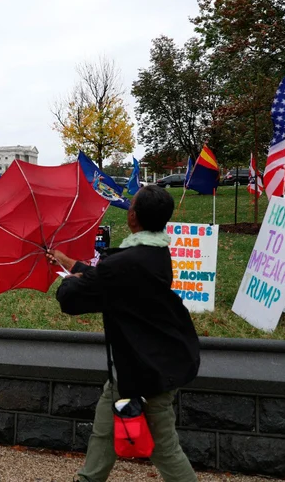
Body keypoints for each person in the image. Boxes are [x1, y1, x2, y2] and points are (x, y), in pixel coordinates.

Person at [47, 185, 200, 482]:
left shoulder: (126, 263)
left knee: (164, 448)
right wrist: (66, 261)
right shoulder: (155, 251)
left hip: (148, 371)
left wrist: (67, 281)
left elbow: (73, 299)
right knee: (104, 434)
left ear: (133, 218)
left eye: (131, 206)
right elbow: (104, 278)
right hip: (138, 364)